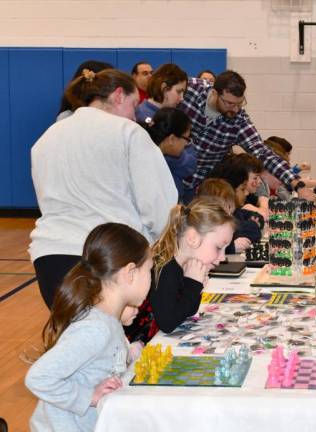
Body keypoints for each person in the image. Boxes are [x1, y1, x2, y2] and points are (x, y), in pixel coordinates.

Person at [30, 69, 178, 308]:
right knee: (112, 339)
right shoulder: (127, 132)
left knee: (74, 337)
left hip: (50, 256)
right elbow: (160, 206)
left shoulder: (46, 138)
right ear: (118, 95)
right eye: (133, 105)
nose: (134, 116)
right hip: (109, 258)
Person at [25, 223, 152, 432]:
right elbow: (39, 377)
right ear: (130, 272)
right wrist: (89, 396)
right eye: (149, 270)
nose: (151, 277)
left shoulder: (109, 321)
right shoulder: (95, 329)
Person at [178, 70, 315, 201]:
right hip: (170, 174)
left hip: (197, 184)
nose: (236, 109)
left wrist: (298, 185)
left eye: (240, 103)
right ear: (214, 93)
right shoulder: (189, 89)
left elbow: (262, 152)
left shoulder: (239, 121)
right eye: (230, 103)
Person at [124, 201, 235, 343]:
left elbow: (188, 311)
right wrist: (193, 286)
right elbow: (168, 323)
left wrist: (196, 286)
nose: (223, 257)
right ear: (192, 238)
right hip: (136, 349)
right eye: (219, 247)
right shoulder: (164, 267)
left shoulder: (184, 265)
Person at [143, 107, 197, 202]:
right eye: (187, 138)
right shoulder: (150, 164)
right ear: (171, 139)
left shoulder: (150, 153)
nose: (186, 144)